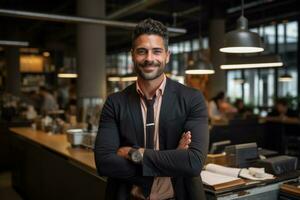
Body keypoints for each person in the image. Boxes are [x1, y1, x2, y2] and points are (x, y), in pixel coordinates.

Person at [94, 18, 209, 200]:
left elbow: (193, 162)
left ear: (167, 55)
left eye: (156, 51)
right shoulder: (115, 102)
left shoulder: (191, 99)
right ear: (132, 55)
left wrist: (135, 154)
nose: (149, 59)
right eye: (142, 51)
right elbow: (104, 163)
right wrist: (172, 162)